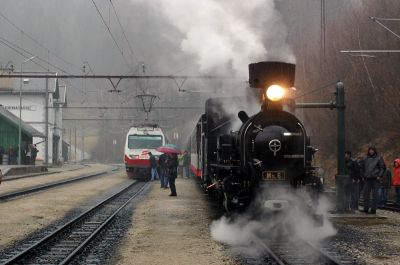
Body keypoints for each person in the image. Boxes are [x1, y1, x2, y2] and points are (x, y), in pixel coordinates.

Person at [359, 146, 385, 214]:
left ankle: (373, 210)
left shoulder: (379, 158)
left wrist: (380, 175)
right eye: (370, 150)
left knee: (375, 195)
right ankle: (366, 209)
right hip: (367, 179)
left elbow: (382, 167)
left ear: (374, 151)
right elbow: (361, 167)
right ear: (368, 151)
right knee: (365, 194)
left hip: (375, 179)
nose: (371, 151)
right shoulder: (365, 158)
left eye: (372, 150)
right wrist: (362, 176)